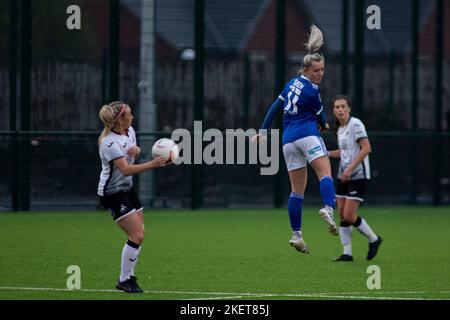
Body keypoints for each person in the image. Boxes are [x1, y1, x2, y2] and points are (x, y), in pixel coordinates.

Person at [253, 25, 338, 254]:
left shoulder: (291, 84)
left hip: (288, 142)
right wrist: (325, 122)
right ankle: (328, 209)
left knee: (296, 191)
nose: (320, 74)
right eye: (316, 71)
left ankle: (297, 234)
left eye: (322, 70)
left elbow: (275, 106)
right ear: (306, 70)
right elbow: (320, 115)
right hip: (308, 135)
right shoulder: (313, 91)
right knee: (325, 174)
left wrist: (262, 131)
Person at [97, 101, 167, 293]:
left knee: (139, 233)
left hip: (127, 189)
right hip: (112, 193)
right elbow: (126, 170)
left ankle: (127, 277)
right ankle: (124, 280)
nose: (132, 116)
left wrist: (136, 152)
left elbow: (131, 159)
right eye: (129, 113)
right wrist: (153, 164)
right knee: (137, 235)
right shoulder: (109, 142)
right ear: (120, 119)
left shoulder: (130, 131)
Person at [329, 95, 382, 261]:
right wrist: (325, 153)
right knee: (342, 213)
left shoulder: (356, 124)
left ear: (349, 108)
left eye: (343, 106)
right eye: (337, 107)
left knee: (350, 215)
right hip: (343, 174)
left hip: (357, 174)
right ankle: (347, 253)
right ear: (333, 110)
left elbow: (366, 149)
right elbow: (344, 152)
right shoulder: (339, 128)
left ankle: (374, 239)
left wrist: (350, 170)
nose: (340, 109)